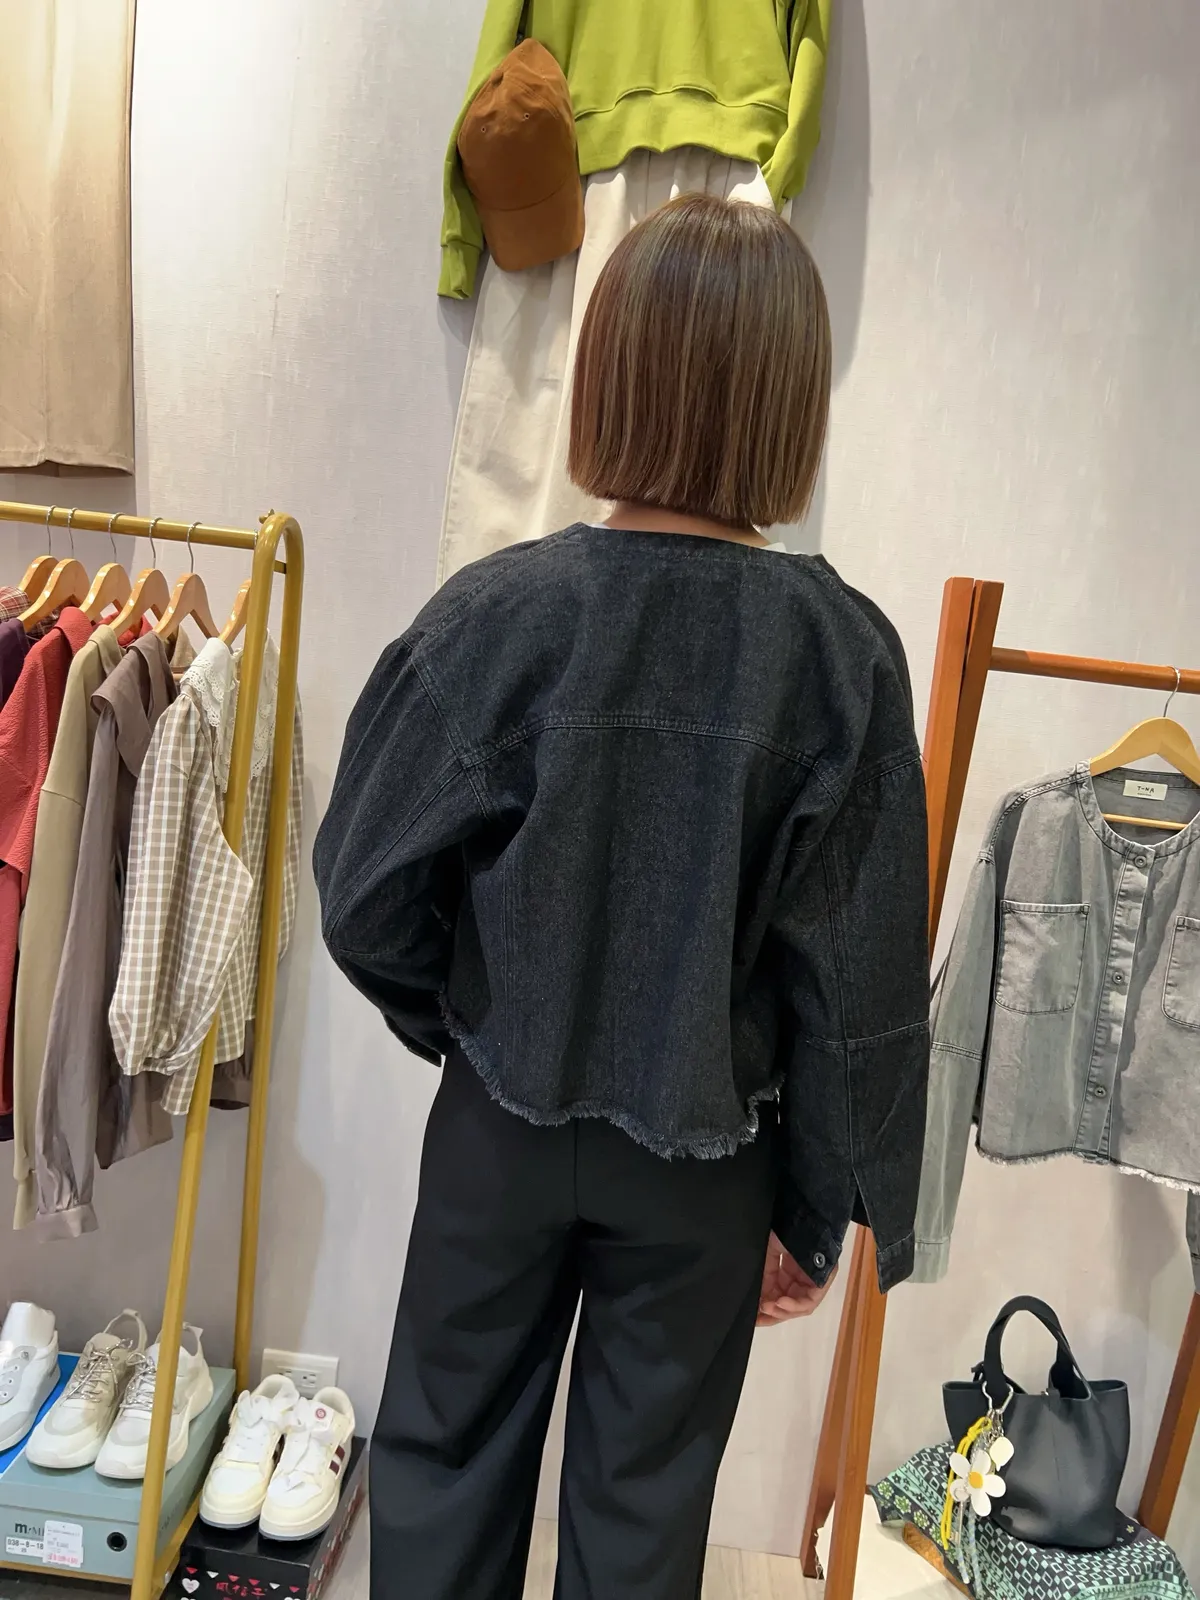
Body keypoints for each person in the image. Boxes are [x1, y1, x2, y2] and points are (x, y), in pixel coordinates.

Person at [314, 193, 930, 1600]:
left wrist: (471, 1021)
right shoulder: (843, 661)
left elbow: (362, 891)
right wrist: (814, 1209)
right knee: (646, 1520)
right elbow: (856, 990)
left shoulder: (496, 617)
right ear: (791, 404)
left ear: (608, 376)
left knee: (442, 1465)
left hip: (500, 1125)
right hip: (707, 1159)